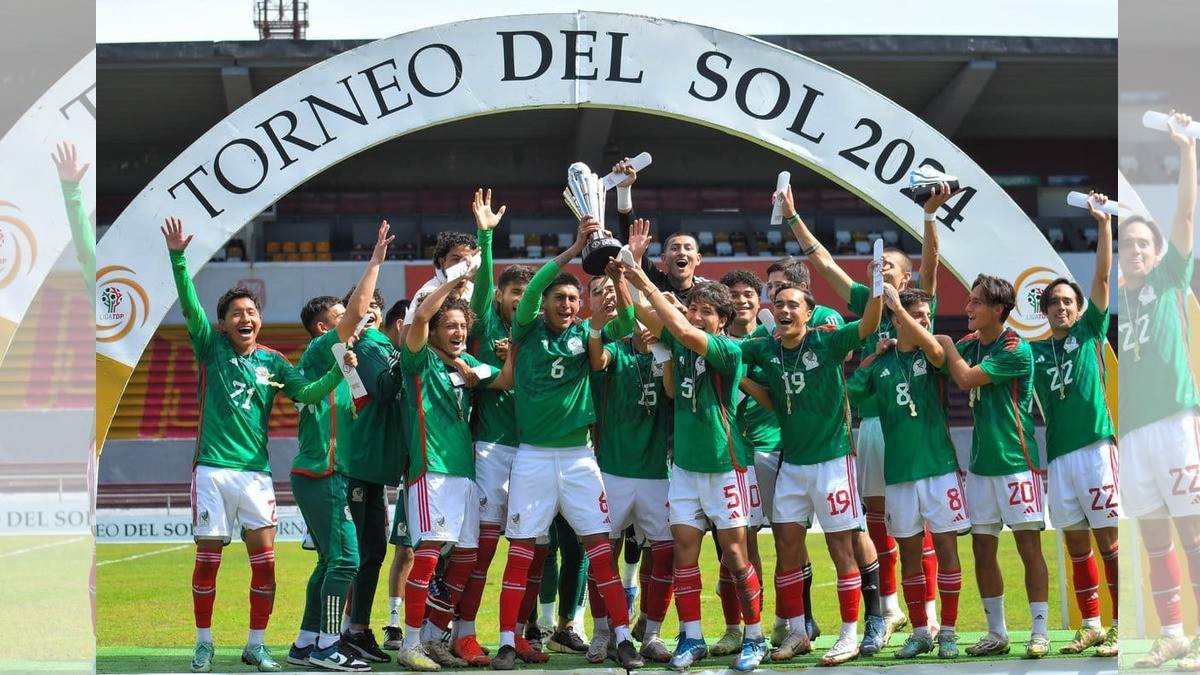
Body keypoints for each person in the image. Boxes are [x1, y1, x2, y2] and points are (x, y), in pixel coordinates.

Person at [162, 217, 346, 674]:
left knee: (265, 566)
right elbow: (188, 305)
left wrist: (339, 372)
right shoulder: (211, 348)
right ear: (223, 324)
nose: (246, 318)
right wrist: (179, 258)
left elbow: (305, 393)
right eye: (237, 314)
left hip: (255, 474)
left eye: (252, 312)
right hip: (211, 469)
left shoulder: (274, 361)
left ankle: (255, 645)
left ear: (259, 320)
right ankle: (204, 644)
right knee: (208, 562)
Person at [780, 180, 951, 649]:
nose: (882, 270)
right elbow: (824, 263)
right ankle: (890, 607)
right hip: (868, 425)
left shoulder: (919, 307)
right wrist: (794, 217)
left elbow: (932, 266)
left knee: (921, 525)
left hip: (912, 428)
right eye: (879, 265)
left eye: (891, 267)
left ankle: (930, 615)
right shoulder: (867, 304)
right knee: (878, 521)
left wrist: (930, 217)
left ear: (907, 276)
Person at [490, 216, 642, 671]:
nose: (569, 305)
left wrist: (616, 278)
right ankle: (505, 642)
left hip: (579, 459)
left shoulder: (586, 334)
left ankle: (623, 639)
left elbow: (630, 321)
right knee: (521, 552)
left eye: (575, 299)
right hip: (532, 459)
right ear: (545, 304)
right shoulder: (527, 330)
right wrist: (574, 248)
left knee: (600, 551)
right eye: (562, 298)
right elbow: (534, 286)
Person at [622, 261, 766, 673]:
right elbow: (643, 315)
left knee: (736, 556)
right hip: (684, 468)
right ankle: (692, 636)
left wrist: (642, 279)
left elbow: (680, 328)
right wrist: (623, 273)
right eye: (693, 307)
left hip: (726, 466)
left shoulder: (727, 349)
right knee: (685, 555)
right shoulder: (681, 343)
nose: (696, 315)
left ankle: (755, 638)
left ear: (723, 321)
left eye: (706, 311)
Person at [739, 273, 882, 667]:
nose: (784, 310)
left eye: (793, 305)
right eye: (779, 304)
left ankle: (850, 634)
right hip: (793, 465)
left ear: (808, 312)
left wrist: (877, 288)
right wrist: (745, 380)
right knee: (786, 549)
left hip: (834, 462)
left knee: (841, 548)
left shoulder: (827, 340)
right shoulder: (764, 349)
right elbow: (743, 370)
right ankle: (799, 632)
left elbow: (868, 324)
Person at [286, 221, 392, 672]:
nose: (357, 314)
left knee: (331, 560)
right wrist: (374, 264)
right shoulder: (316, 352)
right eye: (344, 312)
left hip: (330, 472)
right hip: (321, 472)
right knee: (347, 559)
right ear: (325, 326)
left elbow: (367, 401)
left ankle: (306, 641)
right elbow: (356, 316)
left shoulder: (339, 363)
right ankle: (330, 642)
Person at [396, 272, 514, 671]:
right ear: (433, 332)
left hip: (466, 475)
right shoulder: (418, 358)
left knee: (465, 556)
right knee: (428, 556)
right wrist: (455, 281)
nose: (459, 331)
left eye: (463, 325)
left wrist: (510, 350)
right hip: (431, 470)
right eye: (450, 325)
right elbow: (420, 318)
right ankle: (409, 643)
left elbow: (508, 379)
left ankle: (432, 636)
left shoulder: (470, 364)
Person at [1116, 111, 1200, 669]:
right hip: (1135, 433)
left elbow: (1184, 214)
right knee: (1152, 537)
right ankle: (1173, 634)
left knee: (1192, 534)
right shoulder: (1118, 303)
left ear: (1158, 251)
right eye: (1131, 246)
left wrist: (1186, 149)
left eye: (1145, 244)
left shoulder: (1171, 278)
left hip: (1174, 422)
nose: (1138, 251)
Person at [848, 287, 968, 660]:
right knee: (909, 553)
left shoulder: (935, 351)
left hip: (938, 469)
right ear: (898, 322)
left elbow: (935, 351)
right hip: (897, 475)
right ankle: (919, 632)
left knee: (947, 549)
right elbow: (851, 392)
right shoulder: (881, 363)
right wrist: (872, 357)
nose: (926, 322)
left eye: (928, 316)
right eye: (918, 316)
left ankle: (947, 630)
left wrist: (900, 308)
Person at [937, 275, 1049, 658]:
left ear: (997, 309)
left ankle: (1039, 631)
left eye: (975, 303)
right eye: (968, 302)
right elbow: (938, 358)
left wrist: (946, 344)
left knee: (1028, 548)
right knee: (982, 550)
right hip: (981, 466)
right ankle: (997, 633)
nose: (966, 309)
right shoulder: (971, 343)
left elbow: (966, 379)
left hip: (1018, 463)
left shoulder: (1016, 348)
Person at [1029, 192, 1120, 658]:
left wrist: (1103, 224)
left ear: (1079, 309)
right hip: (1059, 457)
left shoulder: (1089, 333)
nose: (1062, 307)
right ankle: (1092, 625)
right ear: (1043, 312)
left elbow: (1102, 274)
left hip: (1096, 450)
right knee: (1076, 542)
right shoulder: (1034, 353)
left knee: (1109, 540)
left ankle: (1124, 621)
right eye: (1054, 303)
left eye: (1068, 301)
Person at [588, 260, 674, 663]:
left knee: (668, 551)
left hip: (657, 471)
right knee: (602, 552)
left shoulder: (668, 355)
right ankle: (602, 632)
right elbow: (597, 358)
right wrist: (622, 282)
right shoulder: (612, 353)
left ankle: (652, 632)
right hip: (612, 469)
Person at [340, 282, 404, 665]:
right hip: (360, 466)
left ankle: (354, 629)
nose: (366, 314)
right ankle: (343, 632)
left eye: (371, 308)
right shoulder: (367, 347)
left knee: (371, 551)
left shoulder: (378, 347)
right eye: (357, 308)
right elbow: (382, 390)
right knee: (355, 554)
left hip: (373, 467)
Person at [613, 158, 709, 302]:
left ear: (698, 259)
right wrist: (623, 190)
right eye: (675, 248)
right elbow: (631, 239)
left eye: (688, 248)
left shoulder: (708, 293)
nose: (682, 252)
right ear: (664, 258)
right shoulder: (652, 282)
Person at [380, 300, 415, 652]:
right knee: (404, 551)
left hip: (441, 469)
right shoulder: (388, 363)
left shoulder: (428, 358)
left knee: (445, 552)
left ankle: (440, 624)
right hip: (408, 471)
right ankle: (393, 622)